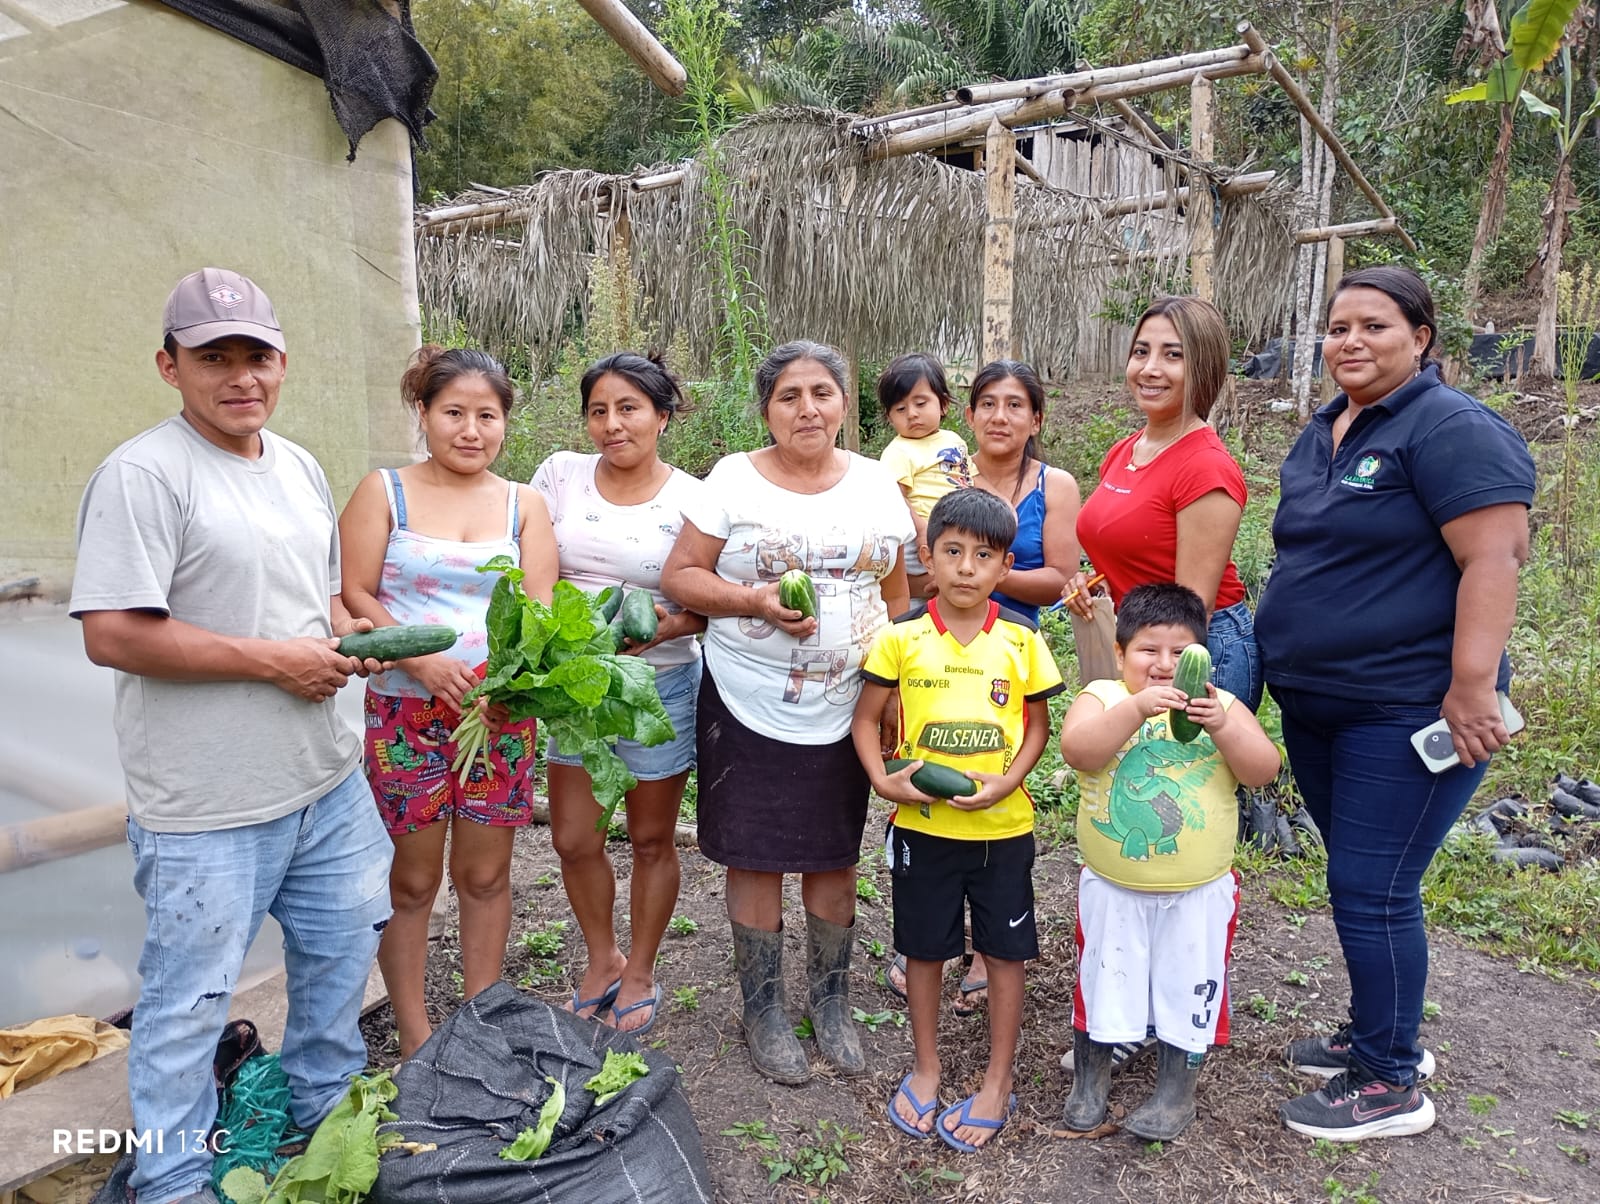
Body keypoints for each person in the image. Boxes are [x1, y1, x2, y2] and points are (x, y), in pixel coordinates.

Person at [70, 268, 395, 1204]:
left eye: (257, 355)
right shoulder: (144, 475)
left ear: (283, 362)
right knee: (189, 1004)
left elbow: (315, 597)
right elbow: (114, 633)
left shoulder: (296, 465)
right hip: (208, 808)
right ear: (169, 366)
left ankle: (322, 1112)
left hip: (325, 782)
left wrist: (349, 634)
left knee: (340, 955)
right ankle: (173, 1180)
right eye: (214, 357)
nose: (241, 376)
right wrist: (275, 662)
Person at [1255, 266, 1534, 1140]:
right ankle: (1380, 1033)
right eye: (1338, 327)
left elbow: (1495, 557)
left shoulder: (1450, 427)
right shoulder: (1327, 428)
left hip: (1405, 705)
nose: (1350, 341)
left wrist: (1472, 685)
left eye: (1374, 326)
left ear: (1421, 337)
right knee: (1361, 877)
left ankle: (1389, 1081)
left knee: (1372, 887)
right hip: (1321, 703)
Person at [661, 340, 913, 1085]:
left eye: (822, 392)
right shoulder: (732, 480)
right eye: (788, 396)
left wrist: (895, 687)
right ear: (767, 410)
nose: (807, 409)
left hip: (848, 703)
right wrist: (752, 601)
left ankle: (831, 1003)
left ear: (845, 404)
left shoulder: (876, 484)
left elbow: (896, 598)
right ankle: (764, 1010)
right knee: (756, 853)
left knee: (835, 852)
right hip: (748, 697)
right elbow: (681, 575)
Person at [339, 345, 557, 1059]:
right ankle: (415, 1035)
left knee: (485, 876)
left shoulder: (524, 505)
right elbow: (355, 592)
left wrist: (510, 689)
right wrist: (421, 660)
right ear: (424, 413)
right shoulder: (384, 492)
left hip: (498, 718)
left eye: (487, 416)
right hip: (404, 714)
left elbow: (540, 613)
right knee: (411, 881)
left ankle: (478, 1025)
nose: (471, 430)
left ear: (505, 422)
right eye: (454, 412)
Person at [853, 489, 1064, 1153]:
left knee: (1004, 953)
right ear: (930, 556)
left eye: (983, 555)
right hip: (924, 829)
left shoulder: (1022, 639)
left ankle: (997, 1080)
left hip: (1003, 831)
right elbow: (865, 720)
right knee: (923, 949)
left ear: (1005, 566)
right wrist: (881, 778)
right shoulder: (902, 636)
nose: (967, 567)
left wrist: (1009, 780)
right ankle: (927, 1067)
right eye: (952, 552)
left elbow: (1038, 726)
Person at [1058, 584, 1280, 1141]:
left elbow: (1263, 770)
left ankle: (1176, 1092)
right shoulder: (1103, 697)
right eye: (1148, 650)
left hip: (1197, 893)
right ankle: (1090, 1077)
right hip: (1114, 888)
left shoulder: (1224, 707)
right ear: (1119, 654)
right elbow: (1078, 751)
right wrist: (1136, 709)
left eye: (1181, 653)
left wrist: (1222, 725)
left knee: (1189, 983)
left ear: (1203, 658)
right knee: (1104, 977)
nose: (1164, 664)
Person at [531, 352, 706, 1035]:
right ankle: (602, 957)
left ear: (663, 416)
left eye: (629, 408)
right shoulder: (560, 475)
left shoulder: (695, 498)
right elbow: (532, 567)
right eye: (598, 411)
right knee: (575, 838)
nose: (612, 424)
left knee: (652, 837)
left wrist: (670, 624)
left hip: (657, 684)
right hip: (575, 686)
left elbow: (709, 607)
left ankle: (640, 969)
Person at [1064, 296, 1262, 710]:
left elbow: (1193, 608)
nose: (1150, 368)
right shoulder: (1125, 450)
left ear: (1203, 367)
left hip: (1197, 654)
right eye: (1141, 351)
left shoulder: (1205, 466)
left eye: (1173, 355)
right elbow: (1131, 550)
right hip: (1145, 639)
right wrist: (1091, 582)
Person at [955, 359, 1079, 1011]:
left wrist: (981, 573)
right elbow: (919, 566)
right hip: (942, 647)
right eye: (987, 404)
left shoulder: (1055, 484)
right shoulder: (946, 476)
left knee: (1000, 789)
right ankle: (930, 935)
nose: (999, 417)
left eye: (1014, 405)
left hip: (1011, 655)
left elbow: (1059, 577)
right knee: (933, 773)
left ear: (1036, 419)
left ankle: (988, 946)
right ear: (969, 414)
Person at [875, 353, 972, 598]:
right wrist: (921, 530)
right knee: (921, 597)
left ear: (943, 404)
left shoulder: (954, 440)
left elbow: (969, 478)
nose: (912, 414)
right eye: (900, 409)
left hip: (955, 530)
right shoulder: (898, 451)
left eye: (920, 403)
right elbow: (894, 498)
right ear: (890, 417)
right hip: (919, 534)